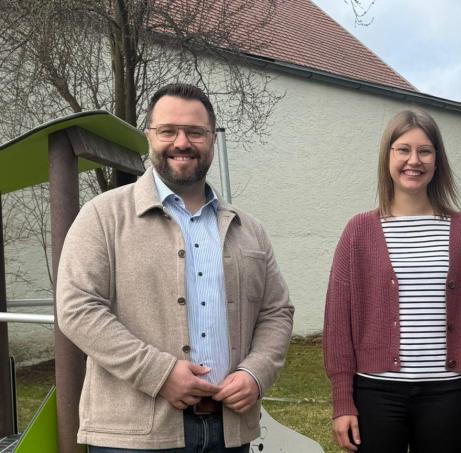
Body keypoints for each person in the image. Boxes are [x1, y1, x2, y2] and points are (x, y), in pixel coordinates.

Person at [56, 83, 294, 452]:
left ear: (212, 139)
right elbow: (77, 308)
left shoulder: (249, 230)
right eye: (168, 131)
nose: (181, 142)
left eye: (195, 132)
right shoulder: (102, 216)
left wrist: (256, 373)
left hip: (229, 430)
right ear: (149, 136)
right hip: (132, 436)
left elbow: (276, 311)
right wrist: (160, 374)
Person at [323, 109, 461, 453]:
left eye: (425, 151)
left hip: (445, 394)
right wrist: (342, 401)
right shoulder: (358, 232)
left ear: (437, 160)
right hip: (375, 394)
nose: (414, 160)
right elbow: (337, 322)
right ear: (387, 157)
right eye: (403, 149)